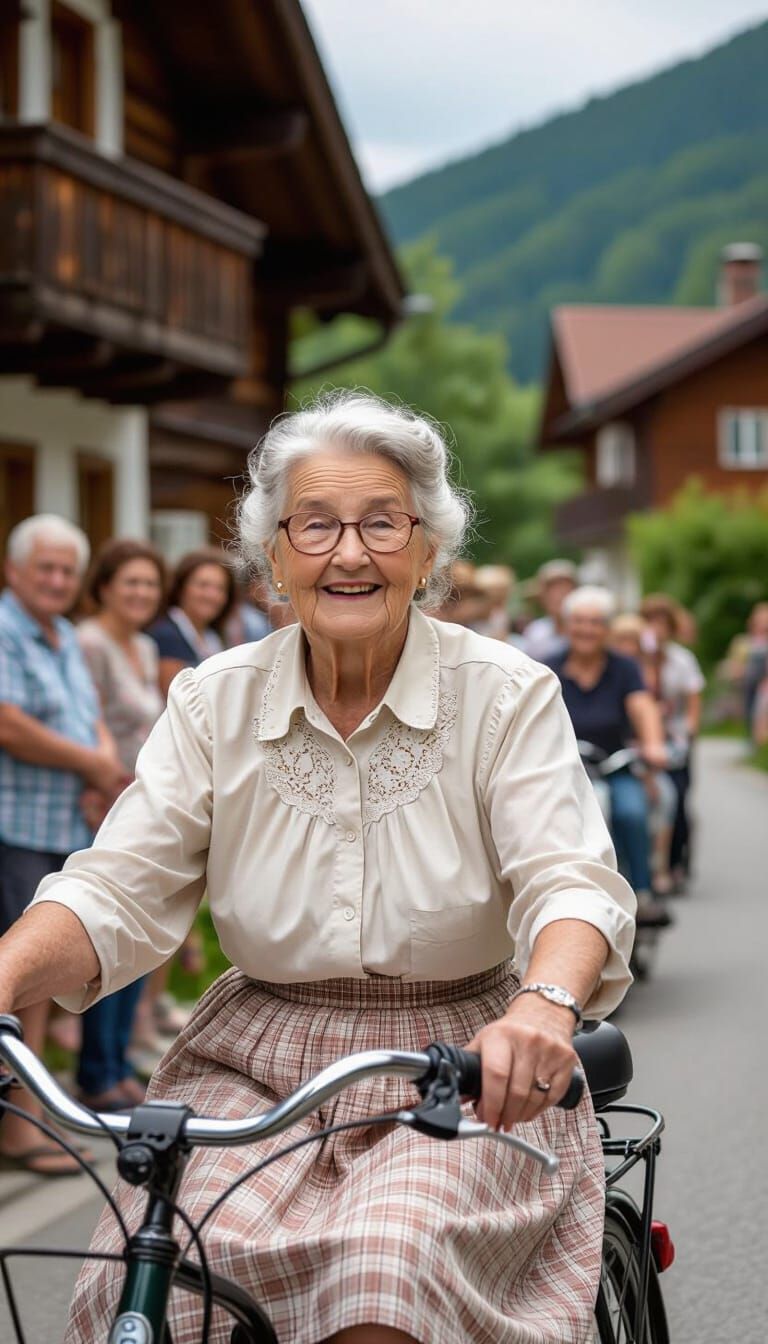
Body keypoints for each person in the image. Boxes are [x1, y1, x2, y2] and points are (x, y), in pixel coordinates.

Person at [1, 392, 635, 1344]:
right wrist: (4, 975)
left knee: (384, 1274)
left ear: (427, 552)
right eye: (317, 524)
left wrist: (543, 1006)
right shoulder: (216, 699)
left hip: (461, 1054)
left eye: (382, 522)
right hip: (254, 1058)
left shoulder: (504, 693)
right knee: (158, 1275)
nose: (349, 553)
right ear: (274, 556)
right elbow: (118, 885)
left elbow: (569, 877)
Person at [0, 515, 127, 1175]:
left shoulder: (64, 634)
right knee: (20, 979)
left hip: (61, 826)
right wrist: (90, 763)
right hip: (14, 825)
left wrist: (101, 760)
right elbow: (8, 723)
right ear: (14, 569)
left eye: (65, 571)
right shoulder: (5, 627)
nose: (55, 580)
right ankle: (19, 1129)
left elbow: (91, 715)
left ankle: (31, 1113)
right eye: (43, 568)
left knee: (40, 984)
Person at [76, 539, 166, 1109]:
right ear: (105, 585)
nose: (140, 593)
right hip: (99, 805)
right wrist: (104, 782)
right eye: (130, 582)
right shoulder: (90, 643)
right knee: (104, 934)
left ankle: (116, 1059)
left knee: (135, 933)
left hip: (141, 805)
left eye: (150, 584)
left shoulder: (146, 646)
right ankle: (96, 1073)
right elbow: (86, 718)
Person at [547, 587, 670, 927]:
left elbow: (643, 707)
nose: (587, 629)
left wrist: (654, 743)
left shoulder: (624, 668)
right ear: (566, 624)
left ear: (608, 629)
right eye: (579, 622)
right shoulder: (547, 666)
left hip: (615, 765)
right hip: (565, 770)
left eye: (596, 622)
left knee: (631, 812)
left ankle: (642, 893)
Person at [609, 613, 678, 896]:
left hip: (639, 757)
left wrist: (652, 749)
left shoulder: (642, 673)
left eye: (632, 640)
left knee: (662, 797)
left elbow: (647, 711)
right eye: (621, 639)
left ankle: (654, 868)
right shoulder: (610, 668)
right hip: (604, 757)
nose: (626, 646)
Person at [640, 594, 705, 887]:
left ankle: (677, 860)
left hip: (675, 737)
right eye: (651, 622)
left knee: (678, 798)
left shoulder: (682, 659)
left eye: (662, 623)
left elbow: (693, 699)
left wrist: (689, 729)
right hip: (645, 738)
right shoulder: (637, 659)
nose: (657, 628)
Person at [148, 548, 236, 698]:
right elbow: (174, 697)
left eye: (220, 588)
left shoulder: (213, 637)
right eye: (203, 585)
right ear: (181, 588)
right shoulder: (167, 635)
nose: (211, 595)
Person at [522, 559, 577, 662]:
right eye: (551, 590)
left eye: (565, 588)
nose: (558, 595)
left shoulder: (590, 630)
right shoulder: (535, 632)